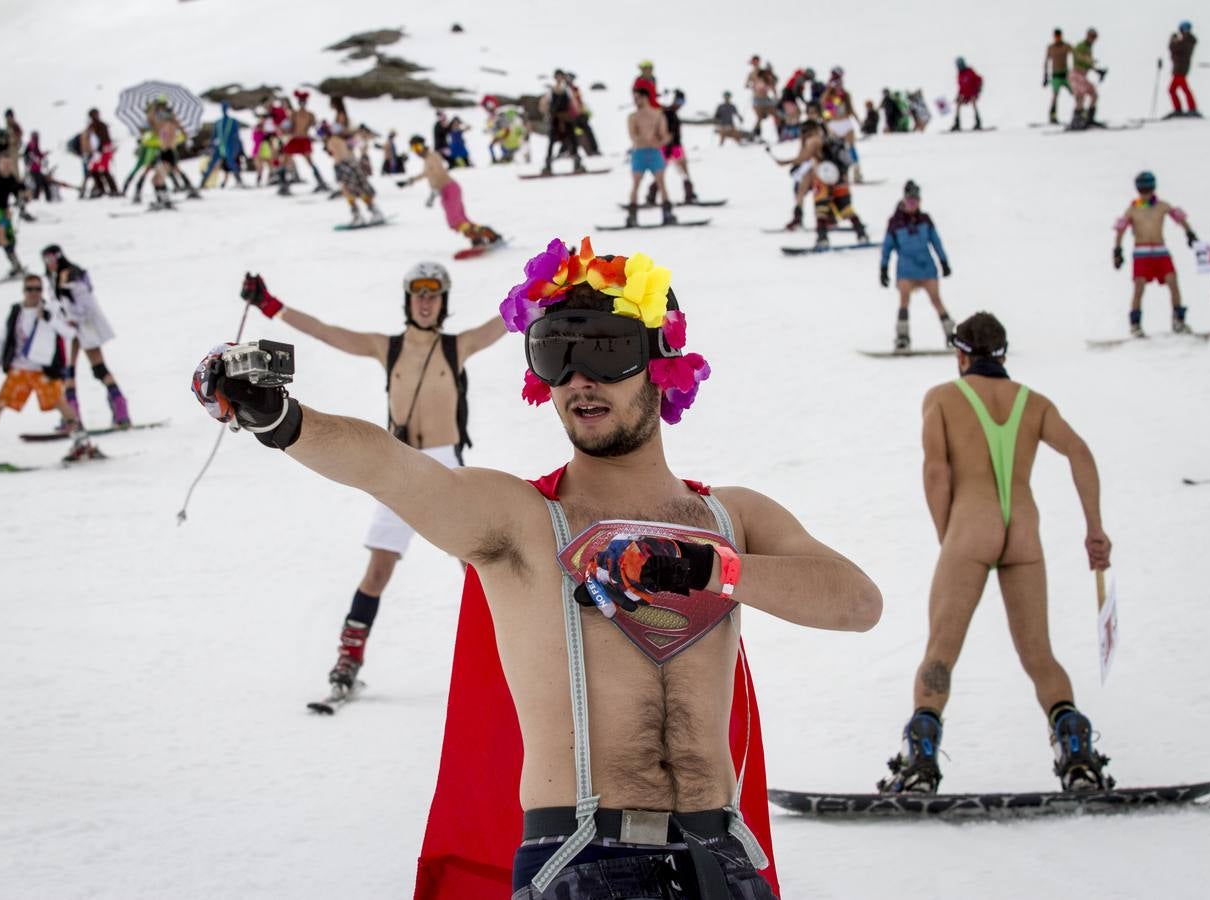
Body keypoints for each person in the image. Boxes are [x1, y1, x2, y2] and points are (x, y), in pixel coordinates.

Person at [192, 235, 881, 898]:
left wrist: (706, 569)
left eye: (608, 352)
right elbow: (391, 468)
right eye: (555, 354)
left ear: (662, 358)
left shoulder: (733, 518)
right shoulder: (519, 520)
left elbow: (856, 603)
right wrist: (282, 418)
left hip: (723, 854)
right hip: (585, 860)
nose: (580, 378)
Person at [232, 263, 506, 698]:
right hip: (397, 463)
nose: (426, 301)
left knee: (475, 568)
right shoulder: (388, 347)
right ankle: (348, 659)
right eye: (418, 293)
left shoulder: (459, 345)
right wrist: (270, 306)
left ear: (444, 301)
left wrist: (551, 287)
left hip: (447, 466)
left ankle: (507, 660)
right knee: (378, 569)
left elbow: (508, 319)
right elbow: (326, 332)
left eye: (434, 294)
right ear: (407, 299)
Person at [879, 312, 1113, 795]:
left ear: (961, 354)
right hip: (1024, 534)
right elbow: (1081, 452)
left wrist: (951, 536)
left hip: (971, 527)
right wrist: (1095, 530)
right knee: (1040, 656)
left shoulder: (942, 398)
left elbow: (936, 473)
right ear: (1002, 354)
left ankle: (920, 762)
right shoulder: (1035, 403)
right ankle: (1077, 754)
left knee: (941, 651)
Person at [0, 274, 100, 466]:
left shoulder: (51, 310)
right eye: (30, 289)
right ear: (24, 291)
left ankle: (82, 443)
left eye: (38, 289)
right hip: (19, 369)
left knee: (61, 405)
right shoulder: (16, 312)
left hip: (43, 369)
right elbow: (3, 338)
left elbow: (70, 333)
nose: (34, 293)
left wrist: (50, 320)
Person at [41, 245, 131, 429]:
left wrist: (73, 318)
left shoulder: (71, 275)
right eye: (46, 261)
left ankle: (119, 411)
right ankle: (75, 416)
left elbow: (86, 305)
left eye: (51, 259)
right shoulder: (55, 277)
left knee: (96, 369)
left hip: (84, 329)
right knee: (70, 372)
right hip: (71, 330)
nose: (49, 264)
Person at [1112, 170, 1198, 337]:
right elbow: (1120, 230)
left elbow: (1179, 218)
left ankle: (1178, 320)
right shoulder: (1132, 209)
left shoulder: (1161, 206)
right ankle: (1135, 324)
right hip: (1142, 253)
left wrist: (1190, 233)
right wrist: (1117, 250)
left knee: (1172, 282)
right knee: (1139, 287)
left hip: (1160, 251)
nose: (1146, 192)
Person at [880, 181, 955, 351]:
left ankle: (950, 334)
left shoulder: (925, 220)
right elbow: (887, 247)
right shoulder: (896, 222)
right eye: (909, 202)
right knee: (904, 300)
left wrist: (944, 262)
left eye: (915, 202)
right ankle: (902, 336)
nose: (912, 206)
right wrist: (883, 268)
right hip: (906, 269)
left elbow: (936, 242)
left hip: (926, 267)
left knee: (936, 300)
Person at [400, 135, 502, 248]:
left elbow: (438, 173)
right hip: (446, 190)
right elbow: (427, 174)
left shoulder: (433, 157)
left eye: (418, 148)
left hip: (449, 189)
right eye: (414, 149)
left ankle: (489, 235)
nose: (417, 152)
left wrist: (433, 193)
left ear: (424, 145)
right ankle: (476, 238)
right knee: (460, 220)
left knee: (456, 221)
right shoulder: (428, 159)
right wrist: (410, 180)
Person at [778, 120, 868, 246]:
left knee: (821, 209)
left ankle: (822, 238)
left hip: (823, 180)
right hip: (839, 177)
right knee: (845, 208)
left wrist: (785, 162)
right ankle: (861, 233)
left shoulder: (813, 140)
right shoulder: (828, 137)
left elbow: (805, 157)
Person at [625, 86, 673, 227]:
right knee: (636, 184)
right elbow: (633, 136)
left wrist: (662, 141)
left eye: (637, 97)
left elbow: (664, 135)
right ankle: (632, 216)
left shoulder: (658, 115)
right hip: (640, 152)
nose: (635, 100)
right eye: (634, 98)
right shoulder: (633, 117)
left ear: (645, 97)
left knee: (661, 183)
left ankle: (667, 214)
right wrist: (648, 140)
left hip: (654, 152)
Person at [324, 129, 385, 226]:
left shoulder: (333, 140)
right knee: (359, 190)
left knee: (348, 190)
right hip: (352, 164)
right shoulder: (346, 139)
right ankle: (374, 211)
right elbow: (361, 143)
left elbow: (334, 153)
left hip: (344, 166)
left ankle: (358, 215)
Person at [646, 88, 696, 205]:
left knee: (683, 171)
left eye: (682, 103)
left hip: (676, 147)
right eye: (678, 102)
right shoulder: (664, 113)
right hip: (666, 148)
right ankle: (652, 195)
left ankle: (689, 194)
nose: (680, 105)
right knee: (661, 172)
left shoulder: (672, 113)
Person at [279, 90, 329, 194]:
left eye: (303, 102)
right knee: (287, 160)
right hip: (298, 139)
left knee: (307, 162)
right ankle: (283, 184)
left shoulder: (307, 115)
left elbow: (315, 127)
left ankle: (320, 182)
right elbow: (289, 127)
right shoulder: (298, 114)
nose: (302, 104)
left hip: (302, 139)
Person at [540, 70, 583, 175]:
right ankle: (548, 165)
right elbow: (544, 104)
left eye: (560, 77)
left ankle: (577, 163)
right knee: (551, 142)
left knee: (573, 140)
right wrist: (547, 113)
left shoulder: (567, 90)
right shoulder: (551, 90)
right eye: (557, 77)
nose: (559, 79)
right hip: (556, 120)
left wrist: (577, 114)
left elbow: (574, 102)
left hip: (567, 119)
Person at [1068, 28, 1107, 131]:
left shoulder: (1089, 48)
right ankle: (1076, 120)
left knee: (1094, 94)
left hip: (1083, 76)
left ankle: (1089, 118)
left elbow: (1088, 63)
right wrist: (1092, 63)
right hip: (1076, 75)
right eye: (1092, 36)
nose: (1093, 39)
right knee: (1080, 96)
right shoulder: (1081, 45)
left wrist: (1098, 71)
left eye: (1095, 37)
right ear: (1088, 35)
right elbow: (1079, 57)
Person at [200, 101, 245, 188]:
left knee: (230, 163)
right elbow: (214, 137)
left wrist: (239, 148)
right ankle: (202, 183)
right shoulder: (220, 122)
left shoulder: (229, 122)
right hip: (222, 147)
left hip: (227, 146)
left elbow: (235, 136)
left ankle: (239, 181)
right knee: (215, 164)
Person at [80, 109, 119, 198]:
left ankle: (113, 189)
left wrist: (100, 150)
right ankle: (101, 189)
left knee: (104, 170)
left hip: (104, 150)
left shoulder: (101, 125)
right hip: (97, 152)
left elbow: (105, 139)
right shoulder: (91, 126)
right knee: (94, 170)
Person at [1166, 21, 1199, 118]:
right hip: (1179, 68)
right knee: (1173, 89)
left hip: (1181, 68)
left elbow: (1175, 48)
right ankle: (1182, 108)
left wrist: (1173, 41)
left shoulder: (1187, 41)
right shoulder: (1187, 40)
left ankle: (1190, 108)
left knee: (1179, 89)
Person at [1043, 28, 1072, 125]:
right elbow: (1046, 62)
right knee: (1055, 95)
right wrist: (1045, 77)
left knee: (1076, 92)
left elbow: (1075, 54)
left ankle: (1081, 112)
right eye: (1056, 36)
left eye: (1059, 36)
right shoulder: (1051, 48)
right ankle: (1052, 116)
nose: (1057, 38)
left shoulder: (1066, 46)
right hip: (1056, 76)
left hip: (1066, 75)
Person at [952, 58, 983, 131]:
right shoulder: (960, 75)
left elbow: (979, 80)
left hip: (972, 94)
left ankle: (978, 122)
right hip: (965, 95)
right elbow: (961, 87)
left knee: (973, 103)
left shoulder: (970, 72)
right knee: (958, 104)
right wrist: (958, 96)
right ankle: (957, 123)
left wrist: (978, 91)